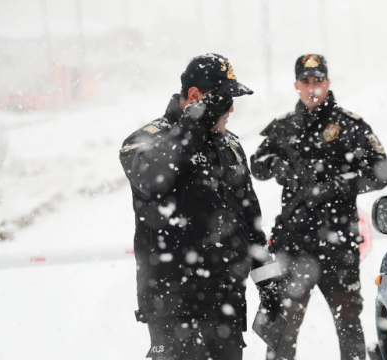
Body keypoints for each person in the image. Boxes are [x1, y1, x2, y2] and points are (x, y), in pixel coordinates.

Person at [119, 53, 282, 360]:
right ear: (194, 96)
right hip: (174, 307)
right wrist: (195, 122)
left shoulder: (229, 145)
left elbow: (250, 219)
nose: (231, 108)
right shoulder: (145, 141)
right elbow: (154, 177)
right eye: (223, 100)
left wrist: (267, 280)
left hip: (226, 303)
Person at [250, 54, 387, 360]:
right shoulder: (284, 127)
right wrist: (277, 165)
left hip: (338, 245)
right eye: (306, 82)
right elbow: (257, 165)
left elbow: (381, 172)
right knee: (281, 329)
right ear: (296, 85)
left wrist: (338, 185)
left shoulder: (350, 126)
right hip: (293, 245)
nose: (312, 88)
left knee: (349, 326)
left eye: (318, 81)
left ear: (327, 82)